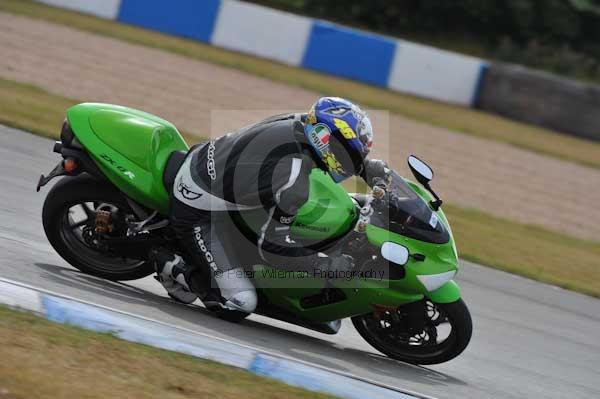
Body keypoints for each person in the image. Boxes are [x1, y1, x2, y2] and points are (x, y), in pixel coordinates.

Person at [151, 97, 388, 314]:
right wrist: (324, 263)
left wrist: (368, 168)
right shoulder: (291, 180)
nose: (351, 159)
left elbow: (337, 145)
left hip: (210, 162)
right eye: (349, 153)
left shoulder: (301, 122)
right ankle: (171, 264)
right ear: (325, 139)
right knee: (240, 302)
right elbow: (273, 249)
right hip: (197, 210)